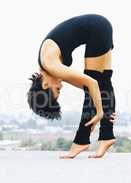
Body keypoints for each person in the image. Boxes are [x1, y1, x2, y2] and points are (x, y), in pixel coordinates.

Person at [27, 14, 117, 159]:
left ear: (44, 84)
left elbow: (92, 84)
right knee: (102, 82)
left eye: (57, 90)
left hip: (96, 28)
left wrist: (100, 112)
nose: (61, 87)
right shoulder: (50, 68)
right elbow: (94, 88)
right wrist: (108, 107)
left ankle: (81, 140)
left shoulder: (51, 64)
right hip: (100, 26)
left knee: (94, 83)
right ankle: (107, 136)